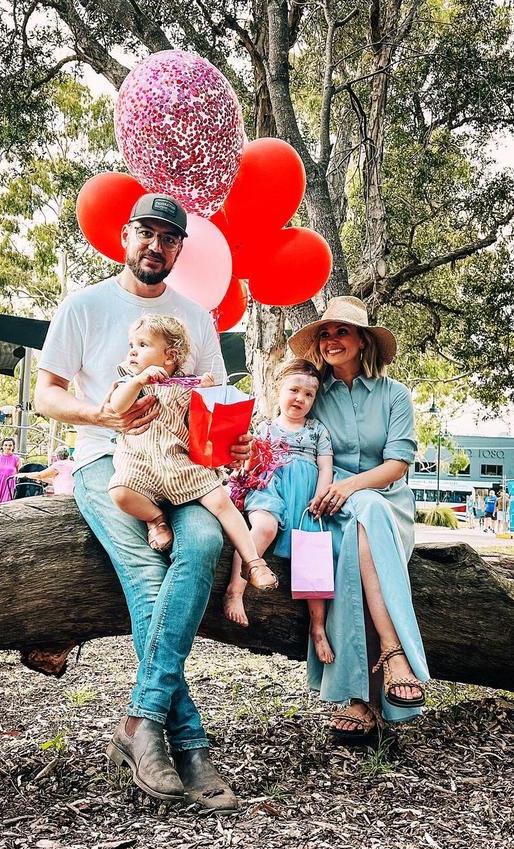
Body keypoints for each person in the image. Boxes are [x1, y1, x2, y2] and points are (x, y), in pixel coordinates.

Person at [35, 193, 249, 813]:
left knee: (206, 542)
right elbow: (47, 394)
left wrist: (230, 447)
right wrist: (99, 411)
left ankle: (140, 720)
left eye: (168, 237)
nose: (155, 245)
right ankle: (189, 742)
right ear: (124, 237)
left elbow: (214, 395)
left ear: (180, 248)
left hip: (182, 463)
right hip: (110, 460)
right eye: (145, 233)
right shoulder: (84, 305)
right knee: (145, 575)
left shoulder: (195, 317)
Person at [289, 296, 429, 742]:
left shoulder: (395, 395)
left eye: (342, 331)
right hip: (326, 506)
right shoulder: (314, 394)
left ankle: (367, 684)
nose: (332, 340)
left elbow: (397, 463)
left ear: (362, 339)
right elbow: (288, 433)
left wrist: (350, 486)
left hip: (386, 502)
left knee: (363, 520)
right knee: (346, 535)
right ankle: (388, 664)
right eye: (325, 333)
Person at [109, 313, 277, 588]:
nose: (133, 351)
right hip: (138, 460)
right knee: (120, 492)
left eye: (142, 344)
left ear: (169, 357)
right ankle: (156, 519)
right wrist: (139, 380)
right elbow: (117, 406)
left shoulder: (186, 385)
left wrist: (207, 393)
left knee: (221, 501)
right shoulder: (129, 383)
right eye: (131, 345)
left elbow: (204, 423)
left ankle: (254, 561)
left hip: (178, 461)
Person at [223, 358, 335, 660]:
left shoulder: (317, 431)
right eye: (294, 390)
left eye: (308, 394)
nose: (300, 398)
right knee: (263, 528)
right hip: (269, 488)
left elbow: (326, 467)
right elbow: (252, 462)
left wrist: (321, 494)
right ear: (279, 389)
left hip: (305, 498)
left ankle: (318, 627)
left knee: (314, 557)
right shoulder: (266, 428)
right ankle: (236, 591)